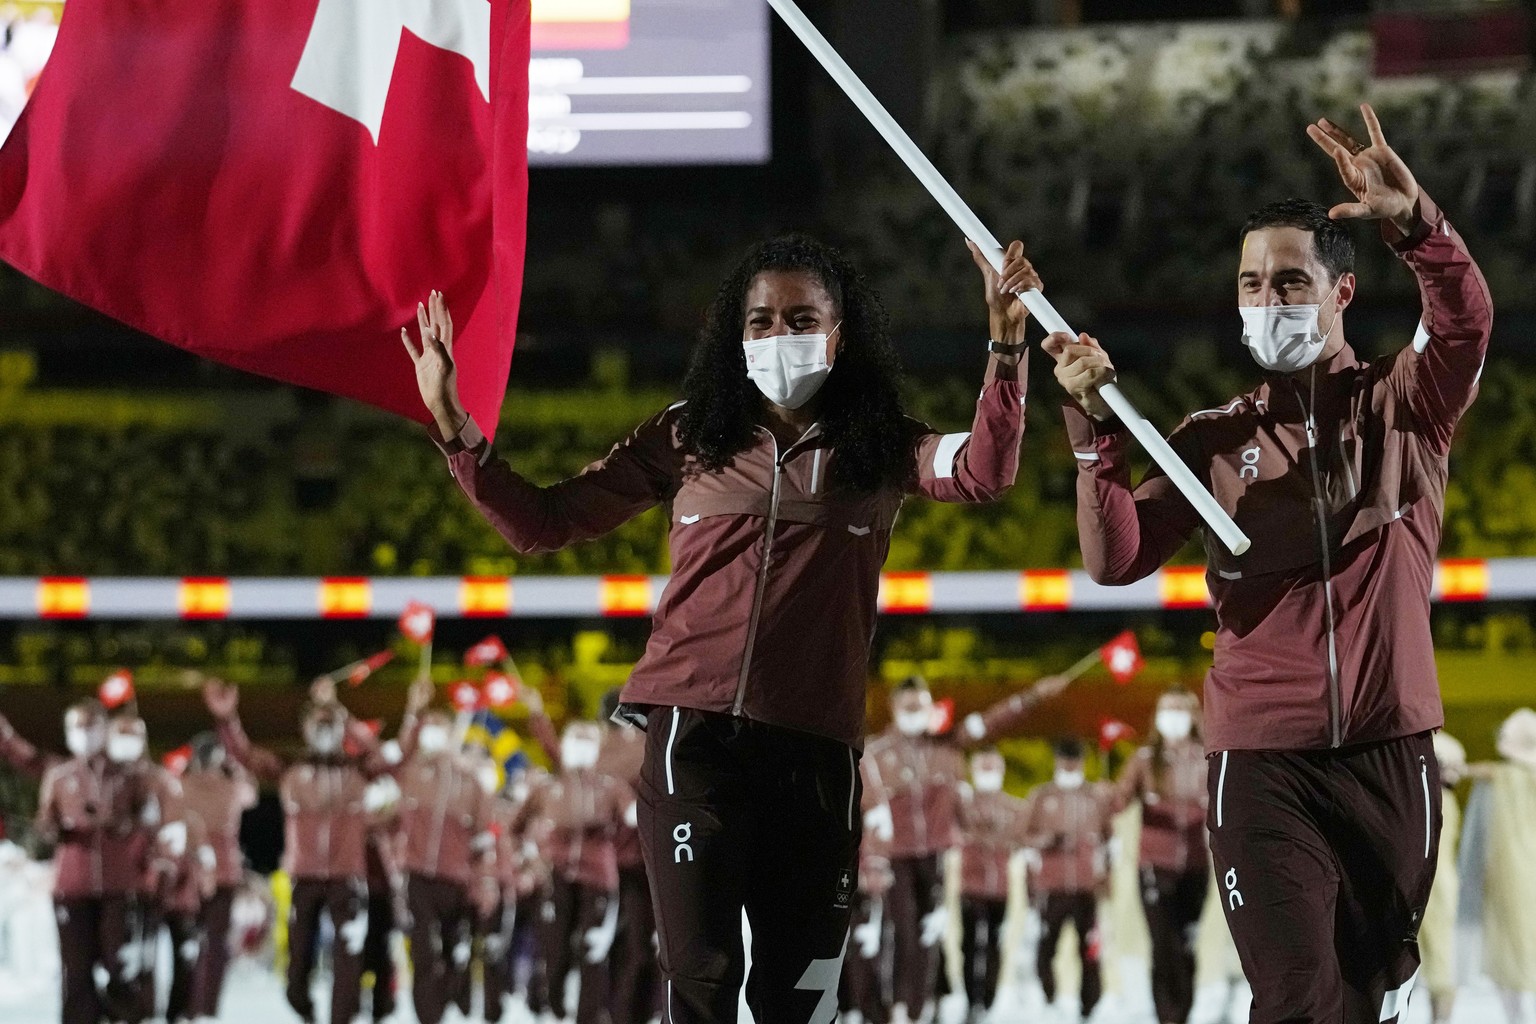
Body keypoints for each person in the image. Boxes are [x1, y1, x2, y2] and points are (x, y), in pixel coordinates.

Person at [402, 232, 1037, 1024]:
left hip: (816, 750)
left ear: (841, 335)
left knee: (798, 1001)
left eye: (802, 318)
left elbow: (983, 469)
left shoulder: (879, 445)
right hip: (691, 739)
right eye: (761, 320)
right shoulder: (685, 435)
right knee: (700, 979)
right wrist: (454, 423)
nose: (779, 336)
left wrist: (1005, 347)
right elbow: (544, 521)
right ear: (736, 336)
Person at [1044, 104, 1492, 1023]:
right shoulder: (1212, 440)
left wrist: (1419, 228)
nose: (1265, 301)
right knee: (1293, 994)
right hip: (1258, 762)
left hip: (1388, 750)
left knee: (1362, 992)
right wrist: (1093, 430)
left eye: (1289, 283)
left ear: (1342, 294)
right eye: (1250, 284)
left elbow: (1465, 324)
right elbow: (1116, 558)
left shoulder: (1403, 406)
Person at [861, 673, 1069, 1024]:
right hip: (897, 857)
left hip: (936, 855)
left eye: (921, 706)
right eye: (908, 706)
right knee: (901, 932)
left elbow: (992, 721)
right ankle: (891, 1008)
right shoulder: (877, 753)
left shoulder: (947, 745)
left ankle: (917, 1010)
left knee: (930, 933)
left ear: (930, 708)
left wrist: (1033, 696)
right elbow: (867, 811)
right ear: (895, 708)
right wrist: (871, 860)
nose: (915, 712)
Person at [202, 677, 390, 1024]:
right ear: (304, 728)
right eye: (317, 723)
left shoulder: (358, 771)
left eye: (329, 723)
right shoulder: (291, 769)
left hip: (347, 878)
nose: (324, 729)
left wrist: (343, 714)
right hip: (303, 878)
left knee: (348, 955)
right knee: (297, 962)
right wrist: (228, 720)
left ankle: (341, 1018)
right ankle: (302, 1005)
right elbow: (244, 755)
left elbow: (384, 755)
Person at [36, 699, 152, 1024]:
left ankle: (124, 1016)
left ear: (105, 730)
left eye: (90, 725)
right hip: (72, 886)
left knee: (120, 963)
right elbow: (44, 824)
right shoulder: (58, 776)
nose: (83, 733)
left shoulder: (128, 775)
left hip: (118, 884)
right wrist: (58, 828)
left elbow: (149, 817)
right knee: (76, 968)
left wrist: (126, 825)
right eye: (76, 726)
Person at [514, 719, 634, 1024]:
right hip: (557, 876)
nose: (580, 746)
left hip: (598, 878)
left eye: (586, 740)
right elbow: (515, 826)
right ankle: (553, 1008)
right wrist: (528, 856)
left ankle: (588, 1018)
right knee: (553, 949)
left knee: (593, 951)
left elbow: (633, 816)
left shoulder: (610, 786)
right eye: (575, 738)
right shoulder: (548, 787)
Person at [392, 680, 497, 1024]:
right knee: (423, 952)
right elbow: (398, 752)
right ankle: (429, 1017)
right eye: (429, 729)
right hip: (417, 874)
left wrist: (484, 882)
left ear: (453, 735)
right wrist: (413, 710)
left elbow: (484, 840)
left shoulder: (471, 782)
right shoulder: (410, 771)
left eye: (440, 728)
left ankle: (455, 1003)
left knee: (455, 953)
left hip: (456, 878)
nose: (433, 735)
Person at [1111, 688, 1208, 1024]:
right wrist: (1108, 798)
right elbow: (1118, 799)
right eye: (1167, 709)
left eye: (1181, 709)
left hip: (1195, 865)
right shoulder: (1144, 760)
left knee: (1186, 941)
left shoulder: (1207, 757)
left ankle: (1183, 1011)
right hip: (1154, 864)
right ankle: (1168, 1015)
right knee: (1162, 940)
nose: (1174, 716)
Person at [1022, 738, 1113, 1020]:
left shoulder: (1095, 797)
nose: (1070, 767)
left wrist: (1107, 878)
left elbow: (1110, 843)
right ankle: (1048, 999)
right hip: (1050, 887)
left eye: (1075, 761)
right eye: (1065, 761)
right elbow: (1024, 838)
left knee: (1090, 950)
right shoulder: (1041, 796)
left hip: (1086, 888)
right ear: (1057, 762)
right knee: (1045, 948)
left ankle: (1090, 1006)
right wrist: (1045, 841)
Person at [179, 730, 257, 1022]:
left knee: (188, 941)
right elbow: (251, 792)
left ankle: (186, 1004)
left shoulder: (182, 785)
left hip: (191, 872)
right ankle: (206, 1007)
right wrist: (234, 767)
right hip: (220, 872)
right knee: (215, 944)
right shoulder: (231, 787)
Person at [954, 748, 1029, 1023]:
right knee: (969, 945)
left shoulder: (1014, 807)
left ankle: (987, 1000)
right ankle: (971, 1000)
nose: (988, 774)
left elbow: (1023, 839)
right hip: (969, 886)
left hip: (1000, 889)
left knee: (995, 945)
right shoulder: (964, 803)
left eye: (992, 768)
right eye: (983, 768)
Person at [1417, 731, 1465, 1024]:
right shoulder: (1440, 800)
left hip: (1434, 886)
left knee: (1440, 962)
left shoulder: (1439, 801)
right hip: (1431, 884)